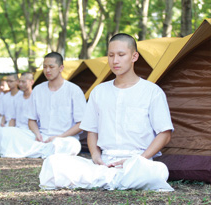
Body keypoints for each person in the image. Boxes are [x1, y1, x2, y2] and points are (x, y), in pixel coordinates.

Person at [40, 33, 174, 191]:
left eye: (121, 55)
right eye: (111, 55)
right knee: (53, 163)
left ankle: (107, 180)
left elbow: (165, 134)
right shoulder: (99, 91)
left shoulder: (152, 92)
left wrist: (140, 159)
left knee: (157, 171)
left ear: (134, 56)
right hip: (104, 163)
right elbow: (91, 130)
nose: (115, 60)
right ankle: (114, 179)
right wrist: (97, 158)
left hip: (137, 163)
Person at [0, 73, 35, 157]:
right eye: (20, 82)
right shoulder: (18, 98)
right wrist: (10, 132)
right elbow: (12, 118)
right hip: (18, 130)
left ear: (31, 82)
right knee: (3, 132)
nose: (21, 84)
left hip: (31, 132)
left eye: (24, 82)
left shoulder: (36, 98)